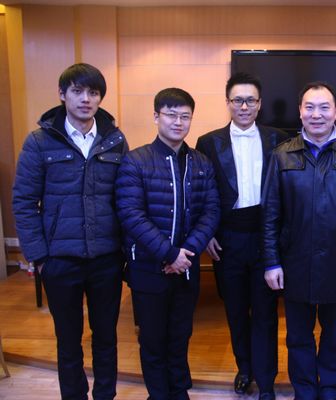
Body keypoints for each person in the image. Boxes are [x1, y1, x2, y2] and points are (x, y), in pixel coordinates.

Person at [12, 63, 128, 400]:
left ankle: (105, 395)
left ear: (100, 98)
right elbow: (24, 201)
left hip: (106, 258)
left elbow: (125, 199)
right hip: (59, 260)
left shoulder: (115, 139)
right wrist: (39, 257)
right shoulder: (39, 141)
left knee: (106, 337)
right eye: (77, 91)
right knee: (68, 340)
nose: (86, 99)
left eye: (93, 92)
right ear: (62, 95)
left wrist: (125, 252)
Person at [262, 81, 336, 400]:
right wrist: (271, 262)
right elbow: (270, 215)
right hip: (294, 263)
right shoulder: (281, 155)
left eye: (324, 107)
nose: (317, 114)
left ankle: (331, 392)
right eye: (309, 107)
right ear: (300, 111)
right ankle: (305, 393)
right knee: (298, 338)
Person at [115, 88, 219, 399]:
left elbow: (211, 211)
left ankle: (179, 392)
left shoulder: (201, 162)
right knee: (152, 339)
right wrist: (169, 253)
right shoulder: (136, 161)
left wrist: (187, 254)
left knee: (180, 335)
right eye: (171, 115)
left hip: (186, 267)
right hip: (148, 268)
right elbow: (131, 214)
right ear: (156, 117)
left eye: (185, 116)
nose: (178, 122)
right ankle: (158, 394)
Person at [195, 72, 288, 400]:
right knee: (235, 311)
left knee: (265, 314)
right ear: (228, 103)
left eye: (250, 100)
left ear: (260, 104)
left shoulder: (279, 139)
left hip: (266, 238)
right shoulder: (208, 142)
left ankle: (266, 381)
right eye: (238, 100)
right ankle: (244, 368)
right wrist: (207, 233)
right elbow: (202, 192)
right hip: (227, 239)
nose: (244, 106)